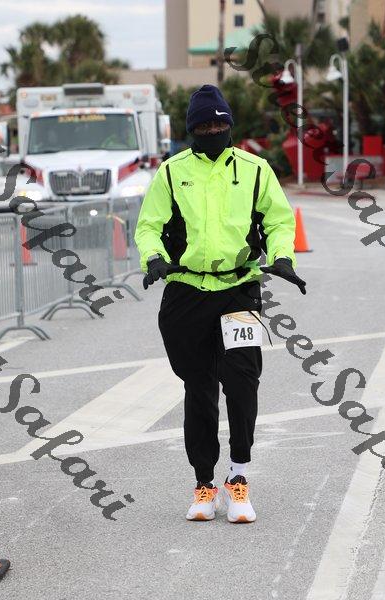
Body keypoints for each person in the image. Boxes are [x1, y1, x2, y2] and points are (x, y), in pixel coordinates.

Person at [134, 84, 306, 523]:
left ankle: (239, 477)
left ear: (229, 125)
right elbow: (148, 225)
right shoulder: (171, 173)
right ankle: (204, 484)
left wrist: (283, 256)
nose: (213, 130)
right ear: (192, 129)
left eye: (219, 123)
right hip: (186, 292)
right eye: (204, 125)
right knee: (199, 387)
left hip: (238, 289)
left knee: (242, 382)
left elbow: (278, 220)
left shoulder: (254, 169)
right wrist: (153, 257)